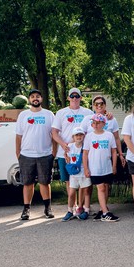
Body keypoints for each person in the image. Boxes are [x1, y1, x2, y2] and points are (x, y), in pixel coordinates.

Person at [16, 89, 56, 220]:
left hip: (45, 154)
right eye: (32, 96)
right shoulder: (23, 115)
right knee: (28, 183)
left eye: (38, 96)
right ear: (29, 99)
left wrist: (54, 151)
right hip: (26, 154)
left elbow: (54, 134)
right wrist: (18, 152)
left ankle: (48, 208)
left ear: (41, 99)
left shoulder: (49, 114)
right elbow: (18, 135)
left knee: (45, 182)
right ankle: (26, 209)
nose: (35, 98)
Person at [52, 88, 93, 211]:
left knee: (84, 180)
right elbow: (54, 132)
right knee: (69, 181)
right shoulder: (61, 113)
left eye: (77, 96)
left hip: (83, 152)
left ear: (81, 98)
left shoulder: (88, 112)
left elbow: (95, 127)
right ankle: (72, 206)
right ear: (68, 98)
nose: (75, 98)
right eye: (72, 96)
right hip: (66, 152)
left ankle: (82, 206)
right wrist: (63, 144)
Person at [83, 114, 119, 222]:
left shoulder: (109, 135)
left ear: (103, 123)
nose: (95, 125)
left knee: (106, 187)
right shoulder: (89, 136)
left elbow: (114, 151)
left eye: (98, 123)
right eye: (93, 123)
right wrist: (86, 168)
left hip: (106, 166)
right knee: (101, 188)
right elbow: (85, 153)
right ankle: (105, 213)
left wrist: (114, 165)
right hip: (95, 167)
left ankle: (103, 209)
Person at [62, 127, 91, 221]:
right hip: (74, 174)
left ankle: (86, 210)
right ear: (73, 137)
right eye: (76, 135)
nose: (79, 137)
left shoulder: (86, 146)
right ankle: (70, 211)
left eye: (81, 135)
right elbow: (67, 158)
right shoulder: (70, 147)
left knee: (86, 191)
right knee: (71, 193)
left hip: (83, 172)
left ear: (84, 136)